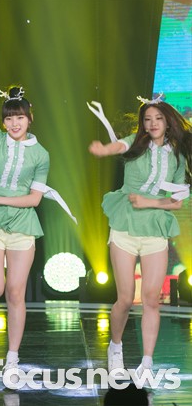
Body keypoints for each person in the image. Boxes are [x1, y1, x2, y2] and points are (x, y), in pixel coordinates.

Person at [0, 40, 74, 383]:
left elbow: (34, 200)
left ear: (29, 118)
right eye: (9, 118)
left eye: (19, 117)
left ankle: (12, 357)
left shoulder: (41, 155)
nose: (14, 123)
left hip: (22, 224)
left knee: (16, 292)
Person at [88, 94, 191, 377]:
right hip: (125, 226)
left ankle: (146, 362)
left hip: (155, 228)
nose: (153, 123)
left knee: (151, 300)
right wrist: (104, 149)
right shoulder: (136, 142)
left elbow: (177, 202)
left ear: (168, 122)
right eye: (148, 119)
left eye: (158, 118)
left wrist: (148, 203)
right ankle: (116, 346)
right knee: (124, 298)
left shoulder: (177, 155)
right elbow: (118, 145)